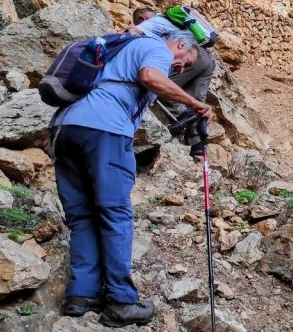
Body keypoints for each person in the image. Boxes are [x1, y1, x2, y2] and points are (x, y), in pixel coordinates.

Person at [49, 30, 212, 327]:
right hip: (105, 131)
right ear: (178, 44)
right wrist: (195, 103)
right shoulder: (156, 49)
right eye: (185, 61)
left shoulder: (124, 51)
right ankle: (122, 301)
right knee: (115, 213)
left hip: (65, 128)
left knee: (83, 216)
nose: (181, 69)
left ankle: (81, 296)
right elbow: (151, 76)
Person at [129, 6, 217, 123]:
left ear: (141, 18)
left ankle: (176, 118)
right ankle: (197, 134)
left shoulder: (150, 23)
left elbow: (131, 31)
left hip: (187, 55)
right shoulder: (173, 20)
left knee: (162, 85)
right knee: (199, 101)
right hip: (206, 59)